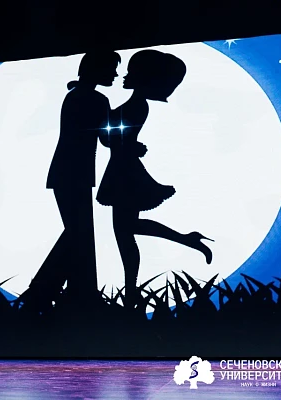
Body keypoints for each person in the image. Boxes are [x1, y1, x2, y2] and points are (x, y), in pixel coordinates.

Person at [20, 50, 145, 311]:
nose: (115, 74)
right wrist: (132, 144)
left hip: (69, 172)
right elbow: (106, 137)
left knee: (79, 233)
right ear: (96, 69)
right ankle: (43, 290)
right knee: (78, 233)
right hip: (74, 173)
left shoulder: (77, 95)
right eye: (111, 68)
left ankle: (75, 292)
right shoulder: (95, 99)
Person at [96, 49, 212, 309]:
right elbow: (115, 134)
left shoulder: (137, 106)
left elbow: (109, 138)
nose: (125, 75)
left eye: (133, 71)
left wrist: (101, 113)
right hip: (124, 169)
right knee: (127, 230)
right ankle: (183, 242)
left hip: (124, 172)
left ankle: (132, 290)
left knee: (124, 232)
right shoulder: (136, 105)